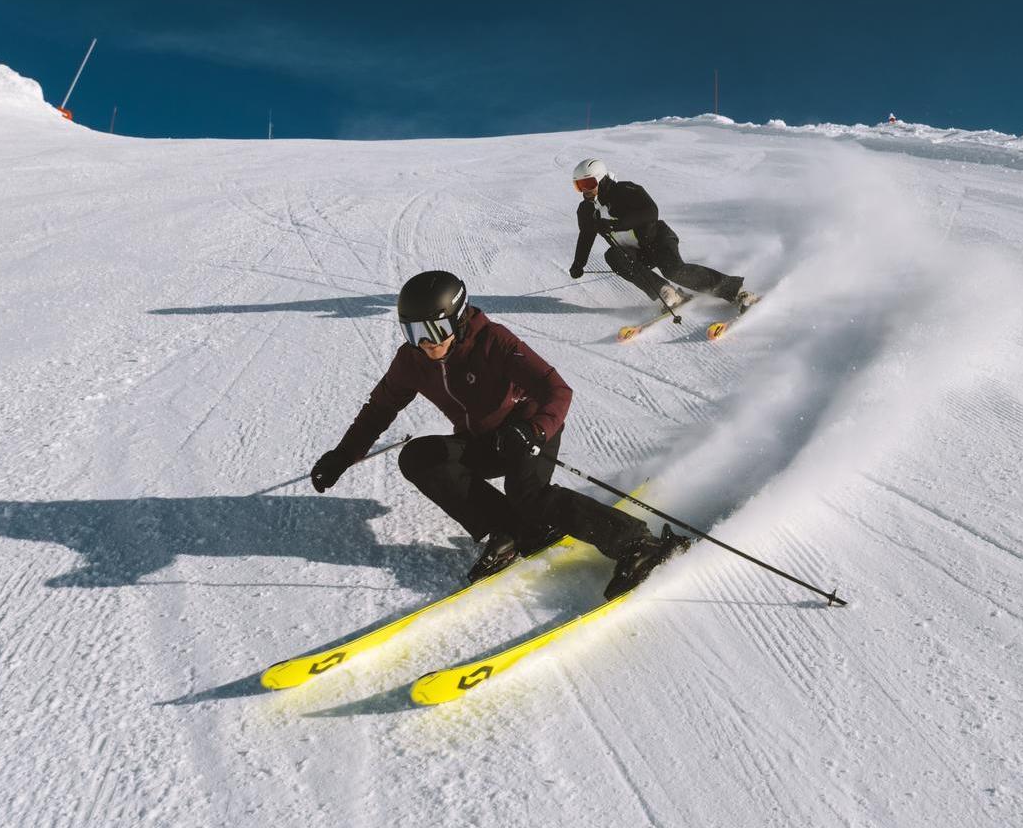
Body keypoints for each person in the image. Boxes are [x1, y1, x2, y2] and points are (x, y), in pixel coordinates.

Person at [310, 270, 689, 597]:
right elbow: (380, 408)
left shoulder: (493, 340)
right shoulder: (412, 361)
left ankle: (638, 544)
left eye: (435, 330)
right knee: (419, 457)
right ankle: (508, 530)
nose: (427, 344)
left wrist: (534, 428)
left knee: (529, 495)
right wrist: (343, 455)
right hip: (483, 440)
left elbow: (556, 390)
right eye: (415, 333)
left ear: (457, 321)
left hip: (530, 431)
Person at [567, 157, 760, 313]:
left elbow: (651, 211)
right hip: (636, 252)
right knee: (613, 256)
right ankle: (668, 293)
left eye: (588, 182)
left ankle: (737, 293)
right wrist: (578, 264)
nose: (585, 190)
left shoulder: (625, 190)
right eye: (579, 185)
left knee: (674, 271)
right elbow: (586, 236)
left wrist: (616, 224)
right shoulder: (586, 210)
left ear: (601, 179)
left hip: (657, 239)